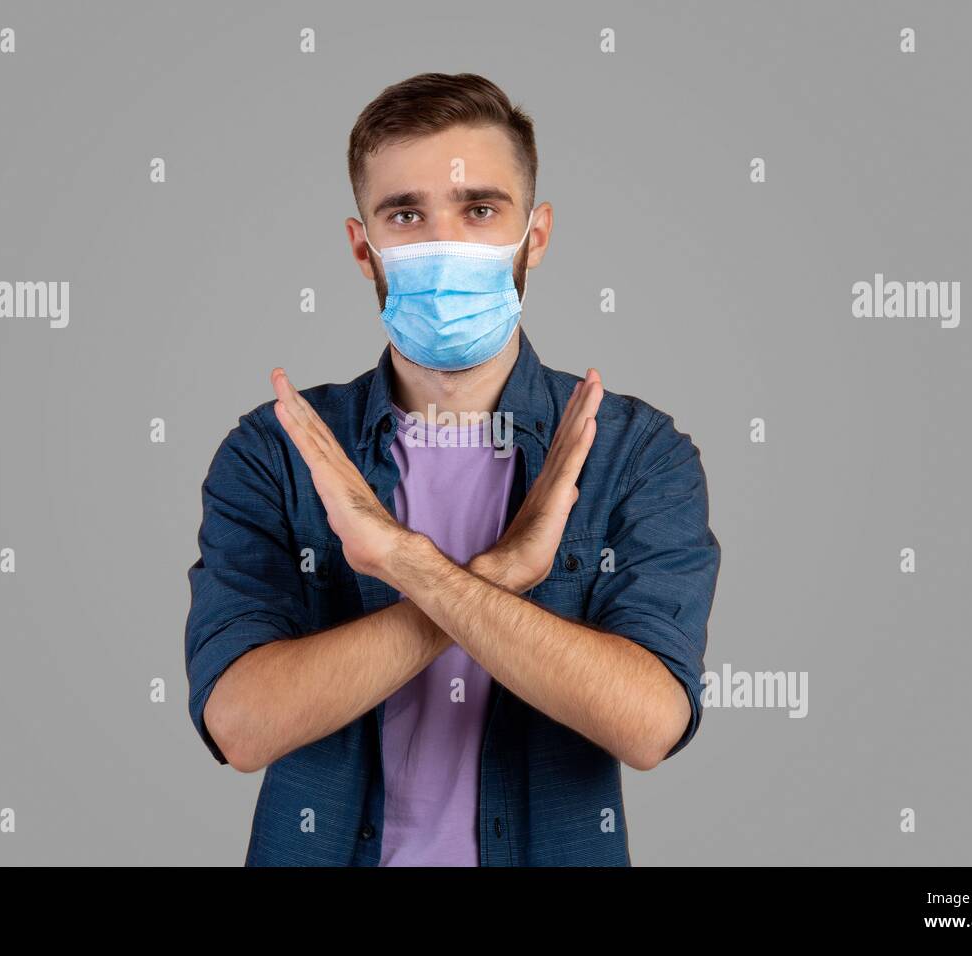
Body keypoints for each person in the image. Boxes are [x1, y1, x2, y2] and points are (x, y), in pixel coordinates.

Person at [184, 72, 721, 866]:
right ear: (363, 245)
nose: (446, 244)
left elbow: (648, 724)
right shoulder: (281, 452)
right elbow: (241, 725)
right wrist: (500, 575)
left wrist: (406, 563)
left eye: (479, 210)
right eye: (407, 214)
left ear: (534, 236)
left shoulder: (633, 452)